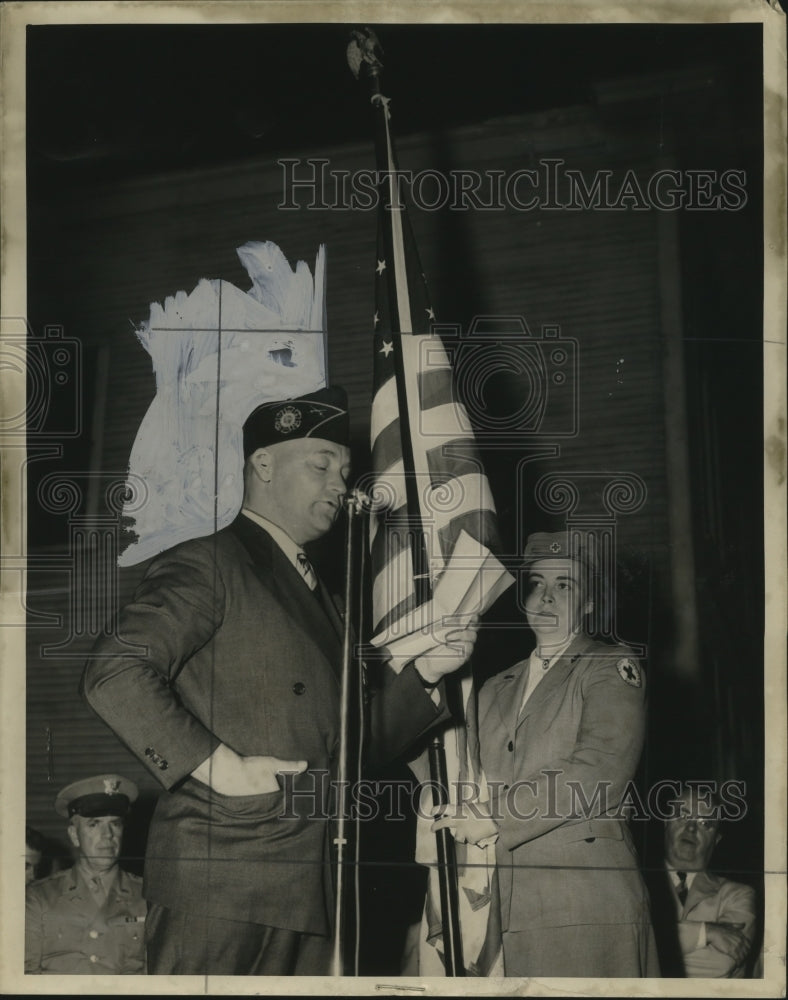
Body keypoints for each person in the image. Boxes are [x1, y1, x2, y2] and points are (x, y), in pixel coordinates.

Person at [82, 386, 477, 976]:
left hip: (315, 884)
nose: (340, 485)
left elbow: (352, 748)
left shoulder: (326, 600)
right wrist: (221, 767)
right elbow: (114, 671)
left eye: (345, 470)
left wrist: (424, 674)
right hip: (226, 878)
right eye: (321, 465)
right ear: (263, 465)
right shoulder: (212, 562)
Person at [433, 530, 659, 977]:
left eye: (565, 585)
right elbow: (465, 770)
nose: (546, 597)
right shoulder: (493, 687)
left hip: (585, 901)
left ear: (590, 603)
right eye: (536, 584)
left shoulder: (610, 665)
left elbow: (598, 771)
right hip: (504, 911)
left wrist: (496, 815)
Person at [25, 774, 145, 974]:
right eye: (94, 824)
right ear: (74, 835)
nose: (108, 835)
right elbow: (24, 977)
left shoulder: (148, 896)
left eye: (115, 824)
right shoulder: (39, 897)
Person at [654, 784, 757, 977]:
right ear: (665, 822)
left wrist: (647, 956)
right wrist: (705, 932)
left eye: (704, 823)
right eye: (683, 816)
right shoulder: (636, 886)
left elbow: (719, 965)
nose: (691, 827)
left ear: (716, 839)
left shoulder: (739, 895)